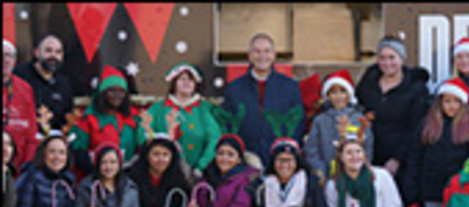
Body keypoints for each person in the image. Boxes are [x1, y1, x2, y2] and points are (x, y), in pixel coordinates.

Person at [404, 77, 469, 207]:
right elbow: (415, 158)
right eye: (447, 101)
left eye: (456, 101)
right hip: (432, 189)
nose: (451, 106)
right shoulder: (427, 125)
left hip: (461, 190)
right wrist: (412, 189)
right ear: (440, 102)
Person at [355, 36, 430, 203]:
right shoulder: (369, 81)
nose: (387, 63)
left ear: (402, 59)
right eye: (382, 58)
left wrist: (397, 158)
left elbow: (416, 128)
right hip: (369, 153)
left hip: (399, 159)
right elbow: (357, 110)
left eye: (392, 57)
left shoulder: (415, 88)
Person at [223, 34, 305, 167]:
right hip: (245, 160)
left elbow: (298, 123)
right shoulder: (234, 88)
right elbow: (228, 125)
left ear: (274, 55)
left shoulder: (290, 86)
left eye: (267, 51)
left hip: (281, 161)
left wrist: (287, 151)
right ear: (250, 55)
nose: (262, 56)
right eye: (257, 51)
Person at [139, 63, 222, 175]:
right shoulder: (158, 109)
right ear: (174, 83)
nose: (187, 83)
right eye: (182, 79)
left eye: (191, 80)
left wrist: (201, 165)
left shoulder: (204, 110)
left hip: (195, 172)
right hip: (162, 172)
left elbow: (214, 139)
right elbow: (143, 133)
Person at [305, 70, 374, 186]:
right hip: (327, 177)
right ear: (327, 95)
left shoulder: (360, 120)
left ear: (349, 94)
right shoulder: (320, 121)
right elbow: (312, 150)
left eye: (342, 92)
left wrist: (359, 168)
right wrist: (320, 170)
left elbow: (367, 147)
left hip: (354, 175)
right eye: (333, 92)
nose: (338, 96)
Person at [69, 66, 141, 172]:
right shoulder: (89, 118)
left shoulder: (134, 117)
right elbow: (79, 152)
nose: (117, 95)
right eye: (112, 91)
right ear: (102, 94)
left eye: (121, 91)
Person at [75, 143, 140, 207]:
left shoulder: (130, 188)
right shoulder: (87, 187)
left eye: (113, 162)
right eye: (104, 162)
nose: (108, 167)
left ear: (119, 164)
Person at [13, 35, 75, 133]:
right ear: (37, 53)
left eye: (58, 52)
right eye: (48, 51)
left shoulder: (64, 84)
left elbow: (67, 117)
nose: (53, 56)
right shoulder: (21, 74)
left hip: (54, 139)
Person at [3, 39, 39, 170]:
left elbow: (31, 133)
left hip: (19, 164)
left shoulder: (25, 89)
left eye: (9, 56)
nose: (5, 60)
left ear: (14, 61)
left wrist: (26, 166)